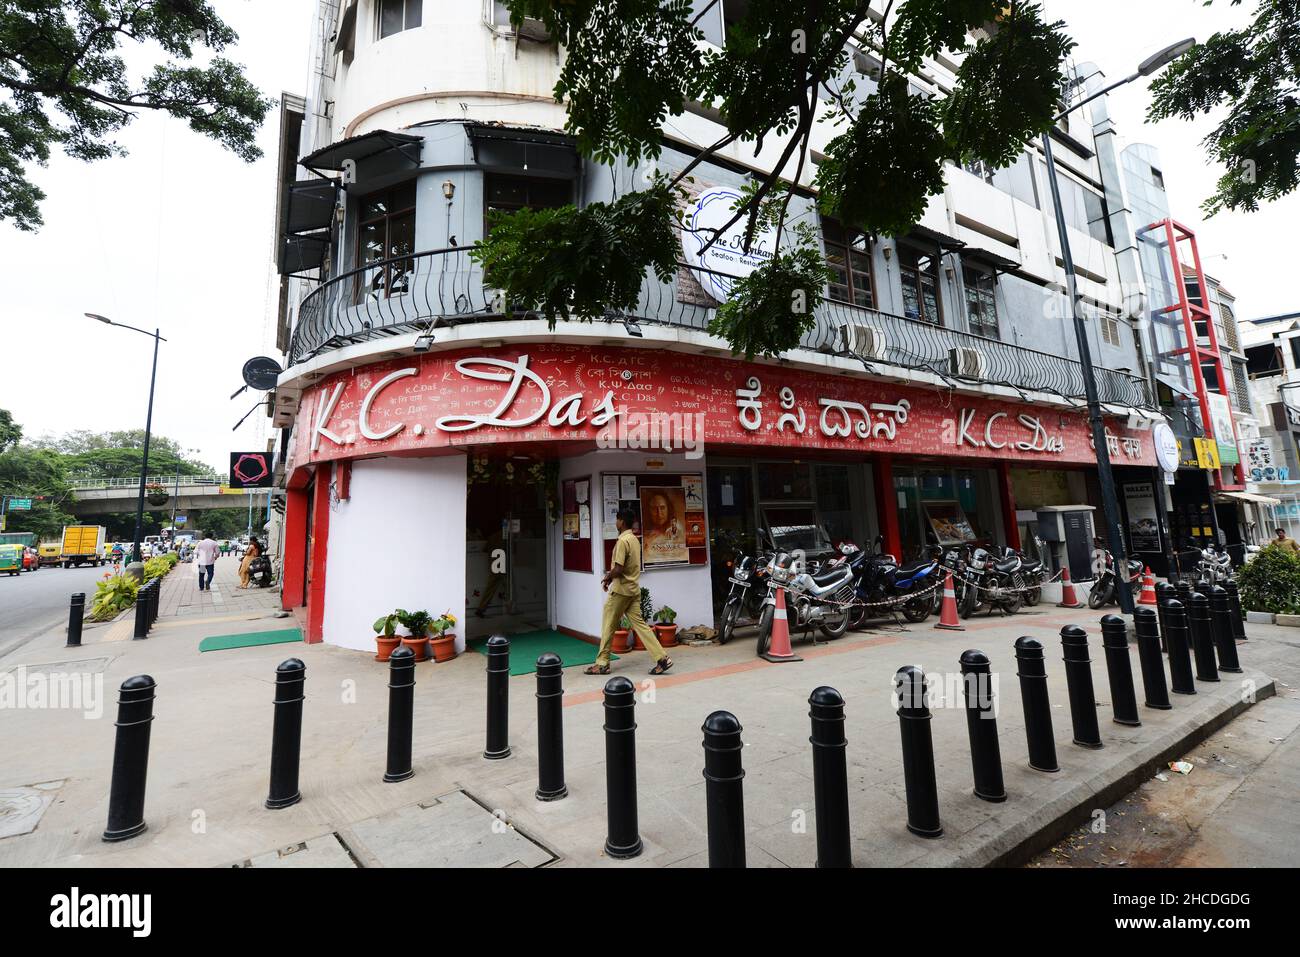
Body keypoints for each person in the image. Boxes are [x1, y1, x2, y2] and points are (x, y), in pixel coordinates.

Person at [585, 508, 672, 676]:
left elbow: (618, 568)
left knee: (608, 625)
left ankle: (602, 663)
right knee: (640, 625)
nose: (615, 523)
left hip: (620, 591)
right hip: (633, 590)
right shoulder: (634, 540)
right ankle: (662, 658)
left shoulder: (622, 541)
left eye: (617, 519)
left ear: (621, 522)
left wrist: (607, 577)